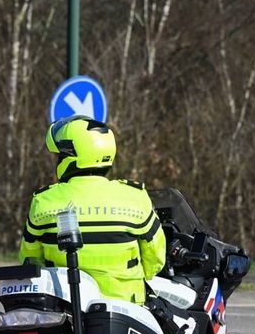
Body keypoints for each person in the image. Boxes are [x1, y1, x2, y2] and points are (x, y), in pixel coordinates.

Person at [18, 117, 165, 305]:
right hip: (127, 308)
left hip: (64, 309)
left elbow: (30, 260)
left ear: (71, 157)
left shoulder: (44, 201)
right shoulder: (135, 197)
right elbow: (155, 260)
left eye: (60, 156)